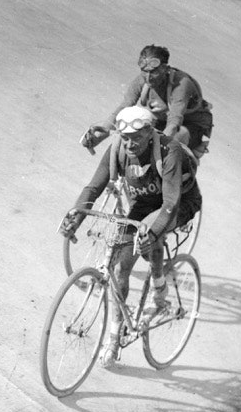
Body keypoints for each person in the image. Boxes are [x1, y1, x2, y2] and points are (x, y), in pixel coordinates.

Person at [61, 106, 202, 367]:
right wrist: (76, 217)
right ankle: (114, 337)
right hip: (145, 203)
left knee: (149, 232)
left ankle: (159, 294)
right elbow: (93, 187)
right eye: (125, 138)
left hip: (179, 201)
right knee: (120, 267)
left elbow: (170, 203)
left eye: (136, 137)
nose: (130, 144)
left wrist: (153, 232)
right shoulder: (117, 149)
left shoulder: (168, 151)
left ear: (150, 132)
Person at [81, 44, 213, 158]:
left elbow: (174, 122)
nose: (148, 77)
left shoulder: (181, 84)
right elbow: (124, 108)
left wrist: (157, 147)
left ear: (165, 69)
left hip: (191, 126)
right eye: (144, 71)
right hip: (161, 122)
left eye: (154, 72)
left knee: (171, 143)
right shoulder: (141, 80)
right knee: (129, 136)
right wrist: (100, 135)